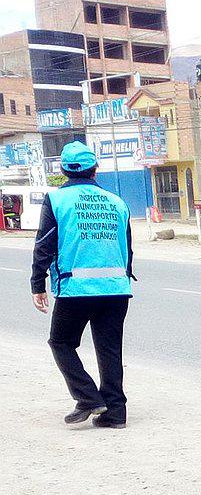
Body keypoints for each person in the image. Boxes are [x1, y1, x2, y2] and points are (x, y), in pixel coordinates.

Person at [30, 140, 135, 428]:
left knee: (61, 342)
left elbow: (44, 244)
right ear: (95, 170)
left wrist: (37, 282)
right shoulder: (117, 202)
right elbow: (127, 247)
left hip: (76, 288)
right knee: (109, 349)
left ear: (64, 170)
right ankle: (115, 414)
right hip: (116, 288)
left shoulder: (57, 201)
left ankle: (88, 397)